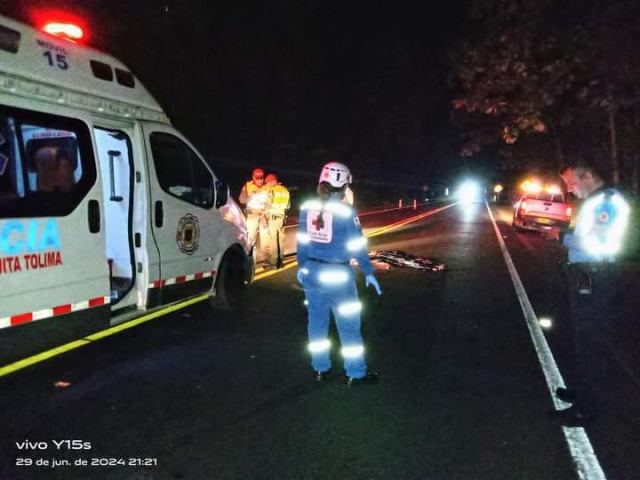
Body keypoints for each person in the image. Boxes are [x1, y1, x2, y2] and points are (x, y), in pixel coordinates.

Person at [549, 161, 630, 426]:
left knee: (590, 338)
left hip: (595, 273)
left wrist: (561, 237)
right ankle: (581, 392)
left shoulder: (606, 201)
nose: (570, 190)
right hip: (586, 273)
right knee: (579, 331)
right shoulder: (594, 201)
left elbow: (598, 241)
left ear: (588, 176)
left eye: (572, 183)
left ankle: (587, 407)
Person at [296, 161, 383, 387]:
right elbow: (357, 245)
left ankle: (320, 369)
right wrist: (368, 271)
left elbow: (302, 242)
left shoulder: (307, 207)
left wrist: (302, 267)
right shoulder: (346, 211)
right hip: (339, 277)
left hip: (312, 274)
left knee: (316, 324)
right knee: (348, 326)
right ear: (344, 185)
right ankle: (355, 372)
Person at [262, 173, 290, 269]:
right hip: (281, 217)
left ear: (272, 181)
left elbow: (267, 205)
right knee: (281, 240)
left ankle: (274, 263)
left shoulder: (272, 191)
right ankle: (280, 261)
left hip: (273, 217)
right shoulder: (285, 190)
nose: (267, 185)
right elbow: (288, 205)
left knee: (273, 240)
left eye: (268, 183)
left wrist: (264, 214)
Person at [238, 168, 270, 248]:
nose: (260, 181)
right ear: (253, 177)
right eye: (258, 179)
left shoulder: (267, 187)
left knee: (266, 241)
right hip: (252, 215)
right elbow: (241, 200)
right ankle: (251, 259)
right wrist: (250, 197)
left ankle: (268, 260)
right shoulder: (248, 186)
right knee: (251, 240)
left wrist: (266, 213)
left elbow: (270, 202)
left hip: (264, 216)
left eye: (261, 179)